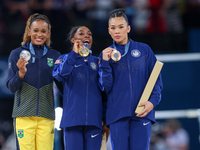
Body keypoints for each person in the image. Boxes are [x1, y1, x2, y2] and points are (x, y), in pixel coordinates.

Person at [98, 8, 163, 150]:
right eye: (113, 28)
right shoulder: (105, 55)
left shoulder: (144, 50)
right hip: (117, 115)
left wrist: (152, 103)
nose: (117, 31)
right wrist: (104, 63)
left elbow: (156, 81)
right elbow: (105, 86)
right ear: (108, 30)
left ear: (128, 28)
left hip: (142, 112)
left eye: (121, 27)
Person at [6, 13, 61, 150]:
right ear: (29, 31)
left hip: (46, 116)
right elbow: (11, 87)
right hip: (23, 116)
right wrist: (21, 74)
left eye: (43, 31)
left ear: (48, 33)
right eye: (35, 30)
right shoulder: (16, 54)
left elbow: (63, 87)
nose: (39, 34)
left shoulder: (55, 56)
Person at [53, 26, 108, 150]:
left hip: (94, 121)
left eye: (89, 34)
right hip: (72, 120)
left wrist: (105, 120)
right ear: (73, 40)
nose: (87, 36)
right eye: (81, 33)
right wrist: (74, 54)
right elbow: (60, 76)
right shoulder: (64, 58)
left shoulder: (98, 62)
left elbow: (104, 92)